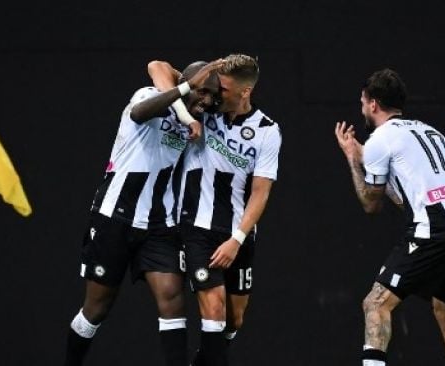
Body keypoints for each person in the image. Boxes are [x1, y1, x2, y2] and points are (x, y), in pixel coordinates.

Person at [64, 59, 223, 366]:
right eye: (202, 91)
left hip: (158, 225)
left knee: (173, 302)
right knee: (96, 310)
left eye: (211, 96)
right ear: (187, 84)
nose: (206, 100)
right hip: (114, 218)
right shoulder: (149, 96)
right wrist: (186, 88)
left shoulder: (199, 121)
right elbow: (143, 104)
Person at [335, 68, 445, 366]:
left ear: (373, 103)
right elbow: (410, 197)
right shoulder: (428, 131)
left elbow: (370, 204)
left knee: (375, 304)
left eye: (363, 102)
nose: (362, 108)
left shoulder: (380, 139)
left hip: (435, 229)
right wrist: (367, 158)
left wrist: (352, 158)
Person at [150, 54, 282, 366]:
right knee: (214, 310)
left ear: (245, 91)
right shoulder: (203, 110)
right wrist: (186, 114)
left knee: (233, 320)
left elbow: (261, 193)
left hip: (238, 234)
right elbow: (157, 68)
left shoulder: (267, 130)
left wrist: (237, 239)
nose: (213, 94)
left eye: (222, 89)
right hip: (196, 229)